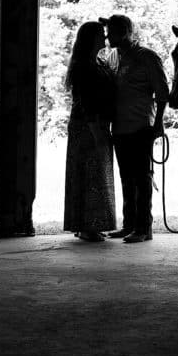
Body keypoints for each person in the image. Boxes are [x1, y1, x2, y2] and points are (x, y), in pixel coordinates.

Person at [100, 14, 169, 243]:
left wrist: (158, 122)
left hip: (141, 125)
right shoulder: (112, 57)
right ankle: (128, 224)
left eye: (113, 32)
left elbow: (161, 93)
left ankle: (143, 228)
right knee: (125, 178)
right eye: (108, 32)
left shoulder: (147, 57)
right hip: (119, 127)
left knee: (142, 177)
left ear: (127, 32)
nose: (108, 36)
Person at [63, 21, 117, 242]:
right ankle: (87, 227)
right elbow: (87, 101)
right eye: (101, 36)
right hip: (87, 125)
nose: (105, 40)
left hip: (96, 123)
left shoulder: (97, 62)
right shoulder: (84, 66)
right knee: (90, 175)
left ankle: (88, 225)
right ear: (91, 39)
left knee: (95, 174)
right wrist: (96, 130)